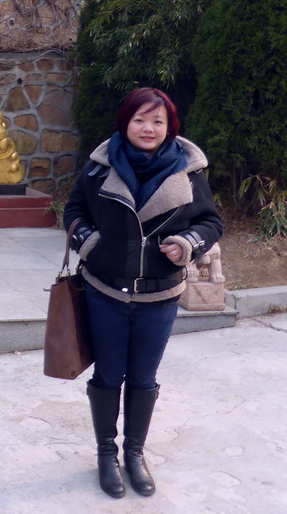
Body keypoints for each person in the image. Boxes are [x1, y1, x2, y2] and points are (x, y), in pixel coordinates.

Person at [63, 87, 223, 498]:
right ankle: (105, 454)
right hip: (105, 293)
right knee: (108, 376)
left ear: (170, 127)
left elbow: (211, 223)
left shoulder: (188, 172)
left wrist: (188, 244)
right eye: (140, 120)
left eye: (157, 121)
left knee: (144, 378)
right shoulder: (100, 167)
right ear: (125, 123)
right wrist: (89, 241)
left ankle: (134, 454)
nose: (148, 128)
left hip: (159, 296)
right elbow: (74, 210)